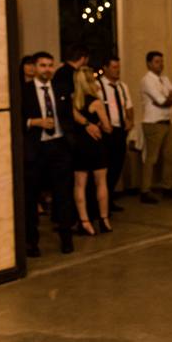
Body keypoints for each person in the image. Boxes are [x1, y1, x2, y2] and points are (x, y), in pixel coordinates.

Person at [22, 52, 76, 256]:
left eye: (50, 65)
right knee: (31, 197)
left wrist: (70, 140)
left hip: (59, 147)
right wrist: (35, 122)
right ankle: (31, 242)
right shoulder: (24, 91)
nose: (47, 69)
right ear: (34, 68)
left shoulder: (61, 88)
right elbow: (16, 118)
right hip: (36, 149)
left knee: (63, 195)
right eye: (43, 65)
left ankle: (66, 239)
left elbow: (68, 115)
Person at [72, 66, 113, 235]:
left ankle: (84, 221)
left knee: (79, 185)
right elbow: (108, 127)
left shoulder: (73, 102)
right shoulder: (96, 102)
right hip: (95, 145)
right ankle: (104, 219)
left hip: (78, 145)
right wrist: (101, 125)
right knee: (101, 183)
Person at [140, 51, 172, 204]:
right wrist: (169, 98)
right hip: (153, 123)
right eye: (157, 62)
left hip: (166, 122)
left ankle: (167, 186)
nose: (161, 64)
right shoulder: (146, 80)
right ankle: (145, 190)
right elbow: (161, 101)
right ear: (149, 64)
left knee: (169, 156)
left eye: (161, 61)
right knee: (151, 158)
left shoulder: (164, 79)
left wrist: (170, 98)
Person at [98, 56, 134, 211]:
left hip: (120, 130)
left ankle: (110, 198)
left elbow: (128, 106)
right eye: (114, 67)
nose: (117, 70)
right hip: (106, 131)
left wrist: (130, 120)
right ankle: (100, 201)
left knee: (117, 166)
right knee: (104, 167)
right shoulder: (98, 86)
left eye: (118, 67)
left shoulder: (122, 86)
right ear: (105, 68)